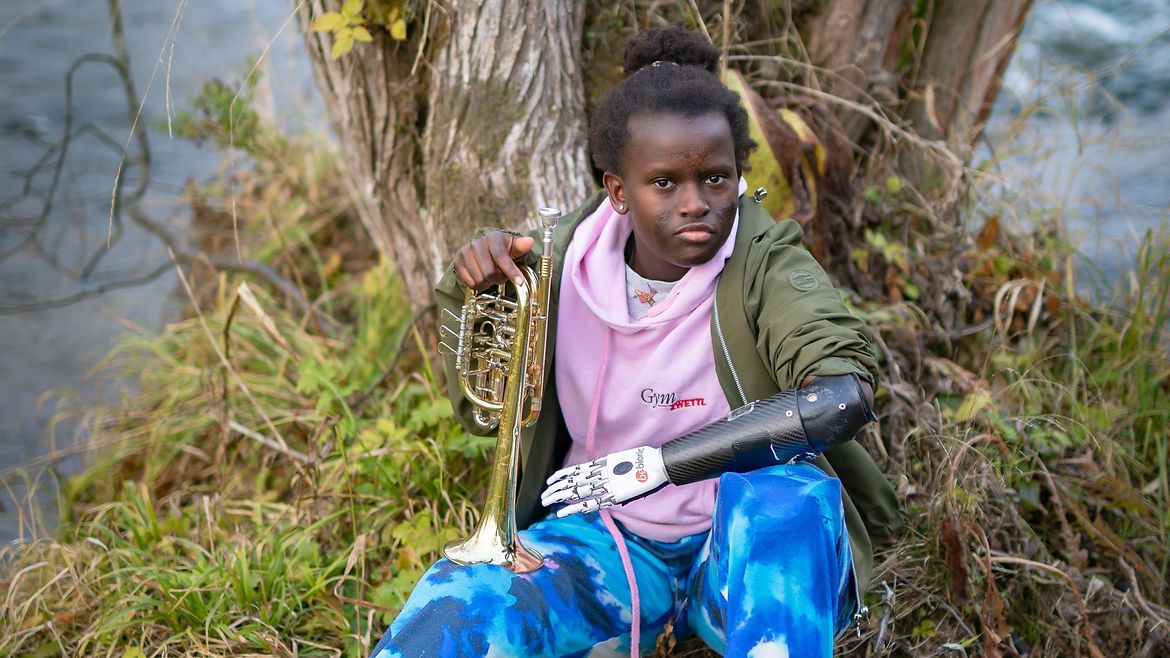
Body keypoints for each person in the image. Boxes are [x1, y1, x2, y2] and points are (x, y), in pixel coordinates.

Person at [369, 26, 901, 658]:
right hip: (604, 548)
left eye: (716, 179)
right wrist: (478, 292)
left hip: (736, 556)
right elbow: (482, 416)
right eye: (665, 183)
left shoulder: (766, 260)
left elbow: (840, 397)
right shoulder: (551, 269)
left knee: (790, 503)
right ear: (618, 189)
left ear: (739, 177)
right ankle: (621, 628)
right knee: (456, 606)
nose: (697, 203)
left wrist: (658, 465)